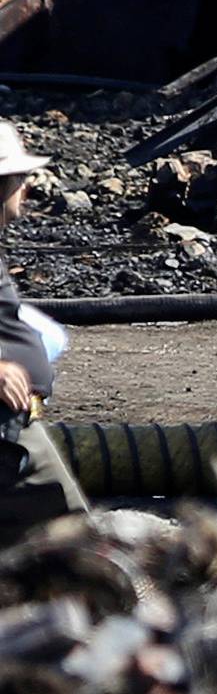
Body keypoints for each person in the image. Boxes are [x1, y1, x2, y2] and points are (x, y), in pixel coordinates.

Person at [0, 122, 83, 539]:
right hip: (6, 430)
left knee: (67, 541)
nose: (26, 188)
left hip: (16, 424)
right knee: (68, 548)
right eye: (19, 178)